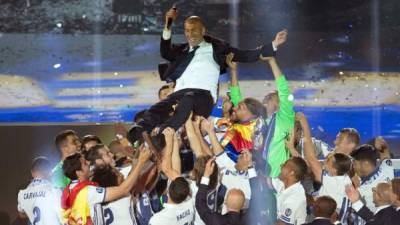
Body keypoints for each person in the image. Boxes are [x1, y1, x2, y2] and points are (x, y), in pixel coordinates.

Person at [129, 7, 288, 146]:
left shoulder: (218, 49)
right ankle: (139, 132)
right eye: (187, 30)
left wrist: (273, 44)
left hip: (203, 97)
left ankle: (164, 135)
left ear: (203, 30)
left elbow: (246, 55)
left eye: (194, 30)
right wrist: (168, 23)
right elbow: (165, 52)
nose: (190, 34)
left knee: (189, 99)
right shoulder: (182, 51)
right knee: (159, 107)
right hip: (180, 93)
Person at [61, 148, 151, 225]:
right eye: (84, 163)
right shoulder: (86, 192)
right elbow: (123, 190)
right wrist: (141, 162)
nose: (89, 163)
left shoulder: (68, 191)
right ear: (78, 172)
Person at [298, 112, 352, 223]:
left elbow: (311, 158)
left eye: (328, 162)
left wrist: (305, 127)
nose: (324, 162)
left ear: (334, 170)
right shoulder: (345, 177)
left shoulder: (330, 180)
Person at [259, 56, 295, 178]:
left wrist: (272, 61)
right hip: (258, 176)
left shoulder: (285, 118)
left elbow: (284, 90)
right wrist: (233, 72)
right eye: (267, 97)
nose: (267, 98)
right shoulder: (258, 121)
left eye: (272, 97)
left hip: (277, 178)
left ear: (280, 104)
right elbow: (239, 104)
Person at [195, 158, 251, 225]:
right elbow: (200, 203)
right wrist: (250, 165)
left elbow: (199, 203)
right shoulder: (250, 219)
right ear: (243, 204)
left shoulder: (216, 220)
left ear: (225, 202)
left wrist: (206, 175)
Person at [17, 157, 62, 225]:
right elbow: (64, 215)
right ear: (50, 172)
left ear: (32, 172)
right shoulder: (54, 191)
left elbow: (21, 214)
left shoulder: (22, 193)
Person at [351, 144, 394, 213]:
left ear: (366, 164)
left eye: (355, 164)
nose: (353, 167)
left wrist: (355, 187)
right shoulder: (387, 168)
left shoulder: (363, 190)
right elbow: (385, 153)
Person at [270, 157, 308, 225]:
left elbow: (282, 224)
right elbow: (266, 181)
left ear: (291, 173)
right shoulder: (284, 182)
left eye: (284, 165)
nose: (281, 166)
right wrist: (250, 165)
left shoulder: (295, 198)